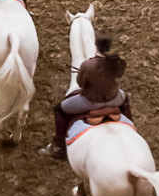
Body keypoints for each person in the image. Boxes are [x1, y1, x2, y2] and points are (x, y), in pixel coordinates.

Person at [39, 27, 132, 160]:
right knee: (125, 98)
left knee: (59, 109)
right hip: (113, 98)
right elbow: (119, 75)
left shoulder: (87, 65)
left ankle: (59, 146)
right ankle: (131, 126)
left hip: (91, 102)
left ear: (96, 44)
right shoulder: (117, 62)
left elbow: (81, 84)